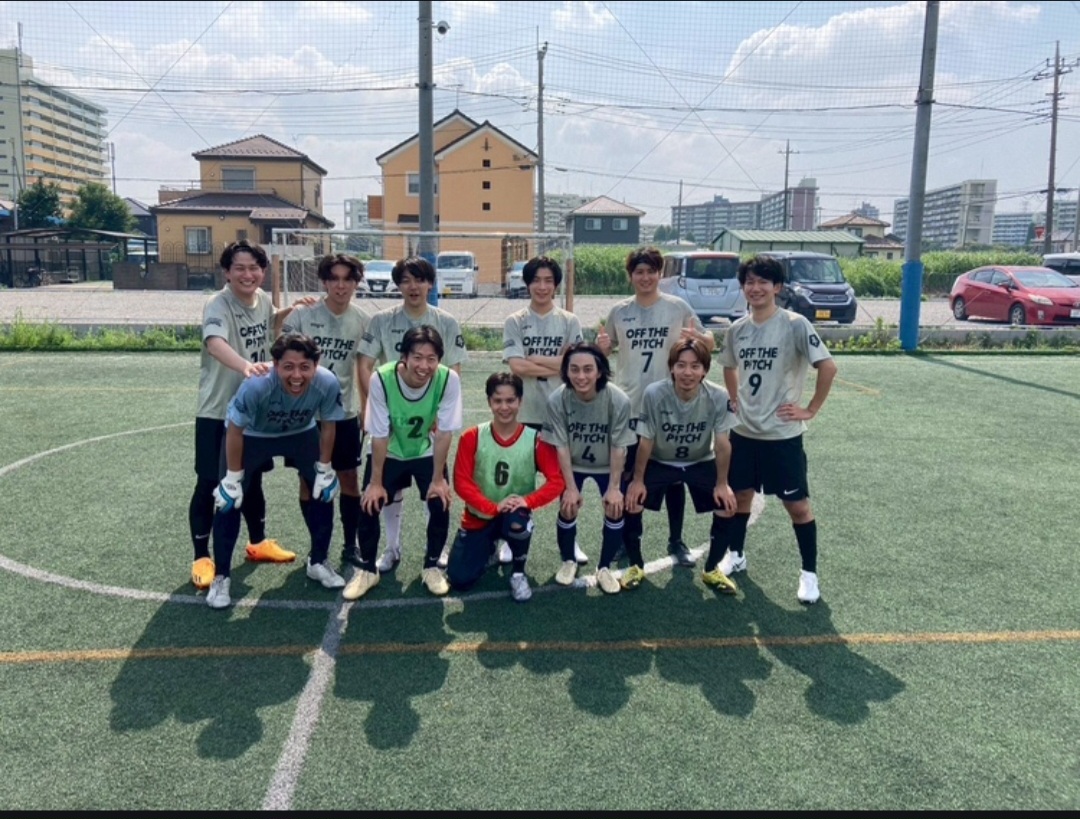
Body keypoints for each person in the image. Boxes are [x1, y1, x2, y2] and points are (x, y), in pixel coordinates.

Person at [189, 239, 312, 591]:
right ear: (226, 272)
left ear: (263, 270)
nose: (248, 274)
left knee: (252, 477)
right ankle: (202, 556)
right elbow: (215, 343)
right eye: (239, 268)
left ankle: (257, 543)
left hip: (256, 411)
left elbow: (269, 325)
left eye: (254, 268)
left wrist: (289, 312)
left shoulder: (262, 300)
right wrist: (245, 366)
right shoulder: (218, 303)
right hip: (218, 411)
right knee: (211, 482)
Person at [717, 255, 838, 604]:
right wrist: (734, 398)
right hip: (744, 432)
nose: (755, 288)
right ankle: (736, 555)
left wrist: (810, 409)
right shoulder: (737, 329)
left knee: (797, 506)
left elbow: (828, 367)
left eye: (763, 282)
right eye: (749, 282)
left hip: (782, 435)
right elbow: (728, 366)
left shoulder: (795, 324)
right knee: (740, 497)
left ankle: (809, 574)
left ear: (777, 287)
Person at [205, 333, 346, 609]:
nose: (297, 375)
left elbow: (329, 424)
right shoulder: (256, 384)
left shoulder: (327, 382)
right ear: (275, 364)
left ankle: (318, 561)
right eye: (288, 367)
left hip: (301, 433)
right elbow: (234, 430)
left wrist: (325, 467)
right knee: (228, 500)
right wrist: (232, 478)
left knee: (323, 490)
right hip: (252, 435)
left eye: (304, 367)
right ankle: (221, 576)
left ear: (316, 366)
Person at [596, 245, 716, 568]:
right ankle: (627, 540)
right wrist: (602, 347)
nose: (645, 277)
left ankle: (676, 540)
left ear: (659, 274)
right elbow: (605, 349)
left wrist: (702, 339)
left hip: (670, 408)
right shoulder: (619, 311)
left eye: (651, 271)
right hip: (630, 407)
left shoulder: (678, 307)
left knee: (675, 476)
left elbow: (708, 341)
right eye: (639, 272)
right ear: (630, 276)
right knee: (627, 477)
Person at [357, 256, 468, 574]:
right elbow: (365, 364)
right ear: (398, 285)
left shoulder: (446, 321)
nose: (413, 286)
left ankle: (435, 553)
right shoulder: (381, 320)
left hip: (426, 420)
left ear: (430, 283)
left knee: (435, 489)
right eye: (405, 280)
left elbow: (453, 369)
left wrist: (437, 409)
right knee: (386, 490)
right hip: (391, 416)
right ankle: (391, 549)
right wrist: (377, 407)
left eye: (419, 279)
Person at [344, 325, 463, 601]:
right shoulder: (382, 378)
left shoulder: (448, 379)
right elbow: (379, 433)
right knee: (369, 503)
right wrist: (375, 482)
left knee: (440, 501)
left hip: (425, 449)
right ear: (404, 357)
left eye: (431, 359)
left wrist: (438, 479)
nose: (424, 366)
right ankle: (367, 569)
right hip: (391, 450)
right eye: (417, 357)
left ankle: (432, 566)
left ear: (439, 360)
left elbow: (444, 432)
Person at [623, 337, 738, 593]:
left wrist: (722, 484)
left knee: (727, 506)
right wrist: (638, 481)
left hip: (699, 460)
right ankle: (636, 565)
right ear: (672, 368)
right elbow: (646, 441)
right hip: (661, 460)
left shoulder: (718, 395)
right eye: (681, 365)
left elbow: (722, 444)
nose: (688, 372)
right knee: (632, 501)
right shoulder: (655, 393)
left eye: (695, 366)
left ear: (705, 370)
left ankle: (712, 569)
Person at [280, 254, 371, 569]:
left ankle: (350, 544)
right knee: (308, 481)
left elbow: (363, 367)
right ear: (324, 282)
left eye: (348, 279)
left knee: (349, 479)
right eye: (334, 278)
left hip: (343, 414)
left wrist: (366, 408)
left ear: (356, 283)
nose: (341, 285)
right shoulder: (303, 316)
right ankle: (317, 546)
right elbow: (281, 356)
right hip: (304, 417)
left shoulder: (363, 320)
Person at [446, 372, 565, 602]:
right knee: (459, 579)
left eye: (510, 400)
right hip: (480, 516)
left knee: (517, 523)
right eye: (498, 400)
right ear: (489, 401)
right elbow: (461, 482)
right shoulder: (472, 436)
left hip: (513, 513)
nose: (504, 407)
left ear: (520, 401)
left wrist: (527, 501)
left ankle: (518, 573)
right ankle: (489, 548)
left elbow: (556, 481)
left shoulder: (536, 440)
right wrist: (492, 507)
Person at [502, 254, 585, 566]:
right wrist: (558, 364)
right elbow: (517, 366)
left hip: (561, 414)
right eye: (536, 280)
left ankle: (570, 541)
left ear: (556, 285)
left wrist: (536, 359)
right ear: (527, 284)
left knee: (566, 482)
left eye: (548, 280)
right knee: (518, 482)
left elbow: (576, 365)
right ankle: (510, 538)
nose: (542, 286)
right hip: (523, 415)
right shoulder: (515, 321)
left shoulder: (569, 321)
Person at [541, 342, 636, 594]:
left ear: (599, 371)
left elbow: (619, 446)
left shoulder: (618, 399)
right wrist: (570, 488)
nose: (581, 376)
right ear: (566, 371)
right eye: (574, 369)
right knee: (568, 506)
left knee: (615, 508)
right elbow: (561, 445)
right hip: (573, 462)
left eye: (587, 369)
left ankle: (604, 567)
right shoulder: (557, 399)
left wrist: (614, 487)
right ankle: (568, 560)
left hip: (607, 463)